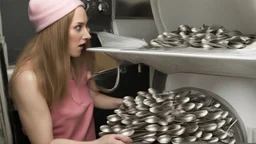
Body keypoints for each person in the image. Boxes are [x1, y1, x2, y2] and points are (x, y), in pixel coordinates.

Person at [8, 0, 133, 144]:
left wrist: (125, 103)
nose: (87, 34)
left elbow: (90, 97)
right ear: (55, 31)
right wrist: (99, 143)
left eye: (86, 26)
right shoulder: (28, 80)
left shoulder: (73, 61)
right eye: (78, 27)